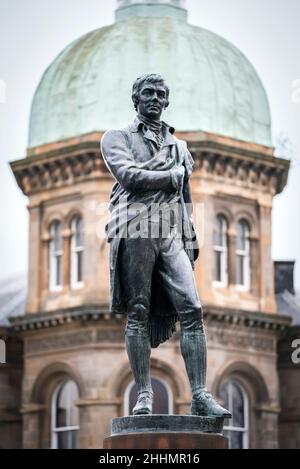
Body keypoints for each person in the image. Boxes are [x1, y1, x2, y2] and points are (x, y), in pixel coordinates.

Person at [101, 73, 231, 418]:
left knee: (193, 308)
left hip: (170, 230)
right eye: (148, 93)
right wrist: (169, 176)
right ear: (136, 99)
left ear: (167, 100)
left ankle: (201, 394)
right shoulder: (117, 138)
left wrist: (190, 239)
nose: (155, 98)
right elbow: (128, 176)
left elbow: (185, 201)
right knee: (138, 311)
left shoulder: (180, 147)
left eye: (161, 93)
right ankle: (143, 394)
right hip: (136, 224)